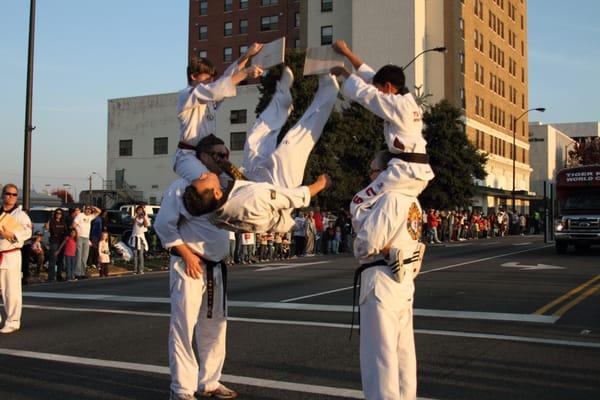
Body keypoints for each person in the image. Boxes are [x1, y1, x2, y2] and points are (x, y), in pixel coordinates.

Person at [184, 68, 339, 234]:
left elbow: (235, 181)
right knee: (293, 142)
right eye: (203, 179)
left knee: (254, 140)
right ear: (215, 193)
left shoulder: (210, 210)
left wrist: (224, 164)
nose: (202, 175)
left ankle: (282, 99)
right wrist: (320, 184)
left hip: (252, 182)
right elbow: (294, 197)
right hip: (279, 193)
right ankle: (329, 89)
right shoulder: (251, 200)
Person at [350, 151, 427, 400]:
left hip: (381, 280)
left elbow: (367, 243)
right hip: (402, 279)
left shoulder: (392, 198)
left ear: (385, 173)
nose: (370, 177)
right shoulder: (413, 200)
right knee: (403, 353)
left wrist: (358, 243)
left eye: (373, 171)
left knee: (379, 357)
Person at [154, 176, 239, 400]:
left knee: (216, 327)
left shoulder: (221, 186)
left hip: (216, 267)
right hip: (189, 265)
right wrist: (187, 254)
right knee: (183, 327)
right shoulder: (182, 186)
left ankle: (209, 381)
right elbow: (163, 224)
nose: (223, 159)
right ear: (205, 156)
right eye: (218, 155)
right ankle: (181, 389)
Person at [330, 40, 434, 202]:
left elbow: (366, 93)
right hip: (416, 171)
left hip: (404, 171)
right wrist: (346, 52)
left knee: (359, 202)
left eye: (380, 89)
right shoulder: (405, 100)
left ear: (388, 86)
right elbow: (370, 77)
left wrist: (344, 72)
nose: (378, 92)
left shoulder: (396, 105)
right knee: (394, 207)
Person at [174, 43, 264, 182]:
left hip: (207, 155)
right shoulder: (187, 95)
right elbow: (216, 88)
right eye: (207, 77)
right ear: (193, 76)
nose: (212, 80)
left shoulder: (210, 99)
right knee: (210, 182)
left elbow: (225, 79)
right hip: (187, 156)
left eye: (212, 78)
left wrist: (246, 56)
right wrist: (246, 73)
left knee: (237, 181)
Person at [0, 184, 33, 334]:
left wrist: (12, 235)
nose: (11, 197)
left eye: (14, 194)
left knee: (10, 290)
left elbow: (27, 232)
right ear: (3, 195)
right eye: (8, 194)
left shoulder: (20, 215)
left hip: (10, 253)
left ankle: (13, 321)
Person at [72, 205, 101, 279]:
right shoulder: (80, 215)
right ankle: (77, 273)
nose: (88, 211)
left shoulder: (90, 217)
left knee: (85, 256)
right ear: (84, 209)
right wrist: (77, 233)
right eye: (87, 209)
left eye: (90, 210)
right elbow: (74, 225)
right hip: (80, 237)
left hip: (86, 238)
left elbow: (99, 211)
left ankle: (82, 272)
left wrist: (93, 207)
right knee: (79, 255)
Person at [48, 208, 67, 281]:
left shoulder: (63, 223)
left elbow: (66, 232)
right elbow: (53, 231)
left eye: (60, 213)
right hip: (54, 242)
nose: (58, 215)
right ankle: (51, 277)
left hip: (61, 242)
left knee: (60, 260)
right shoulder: (52, 222)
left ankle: (59, 275)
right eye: (57, 213)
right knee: (53, 259)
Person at [129, 205, 150, 275]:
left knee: (140, 254)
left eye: (141, 210)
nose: (139, 211)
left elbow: (146, 225)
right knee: (135, 255)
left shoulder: (143, 218)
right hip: (134, 237)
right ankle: (135, 269)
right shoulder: (134, 218)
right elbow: (132, 224)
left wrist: (143, 217)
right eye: (138, 210)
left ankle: (141, 269)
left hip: (141, 238)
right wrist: (136, 216)